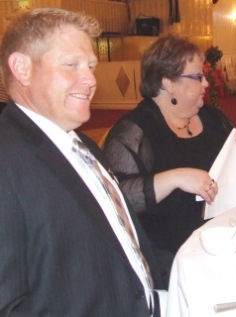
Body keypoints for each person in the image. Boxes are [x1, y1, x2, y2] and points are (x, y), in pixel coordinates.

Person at [0, 8, 172, 316]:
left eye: (91, 66)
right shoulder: (6, 159)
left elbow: (124, 244)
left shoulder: (84, 144)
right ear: (22, 68)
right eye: (71, 65)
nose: (90, 80)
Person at [103, 33, 236, 254]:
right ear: (168, 83)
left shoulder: (211, 117)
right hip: (171, 253)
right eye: (198, 77)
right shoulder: (134, 131)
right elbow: (116, 199)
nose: (206, 83)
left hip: (226, 238)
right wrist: (175, 178)